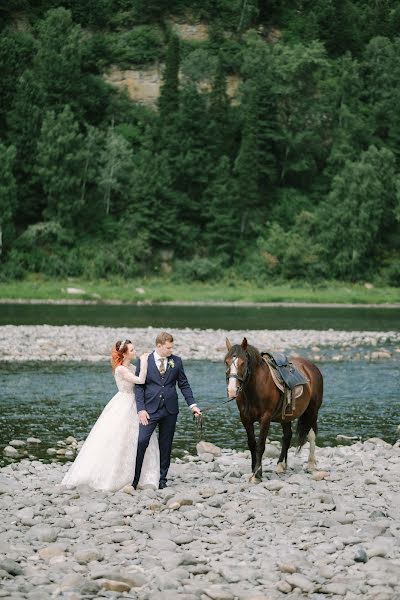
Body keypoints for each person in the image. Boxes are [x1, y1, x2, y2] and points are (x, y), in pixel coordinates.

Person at [62, 340, 160, 491]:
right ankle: (114, 477)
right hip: (124, 402)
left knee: (138, 438)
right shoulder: (120, 369)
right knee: (118, 437)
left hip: (137, 404)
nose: (135, 352)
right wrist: (145, 361)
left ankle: (141, 475)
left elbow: (145, 381)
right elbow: (140, 380)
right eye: (132, 350)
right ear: (125, 354)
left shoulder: (132, 367)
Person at [132, 331, 201, 490]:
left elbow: (183, 384)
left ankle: (162, 479)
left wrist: (193, 406)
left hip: (170, 410)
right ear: (159, 346)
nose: (171, 350)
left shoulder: (176, 361)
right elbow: (139, 387)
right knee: (142, 441)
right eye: (168, 348)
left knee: (166, 445)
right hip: (149, 410)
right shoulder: (144, 360)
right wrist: (141, 409)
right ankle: (135, 479)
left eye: (172, 347)